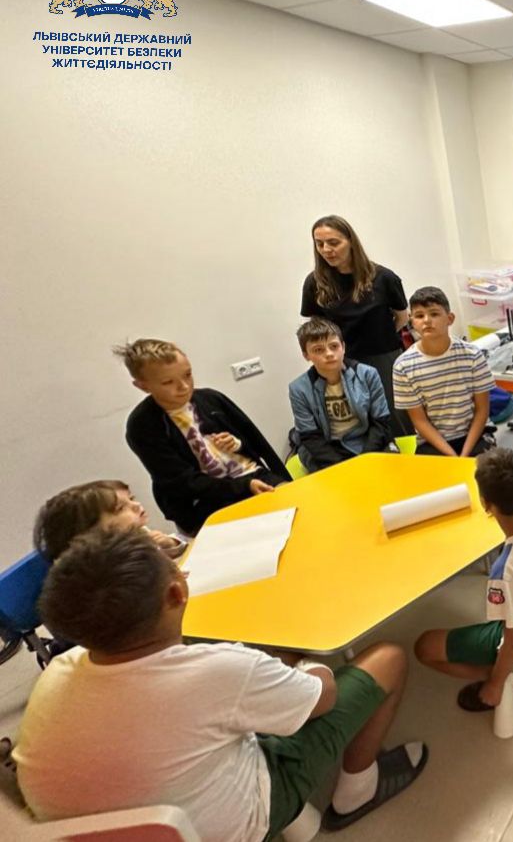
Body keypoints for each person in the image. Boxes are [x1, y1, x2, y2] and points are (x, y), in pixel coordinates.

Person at [14, 528, 426, 839]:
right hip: (239, 822)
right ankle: (357, 790)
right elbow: (324, 697)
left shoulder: (58, 672)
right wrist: (308, 665)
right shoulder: (218, 670)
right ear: (176, 592)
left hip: (109, 830)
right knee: (387, 658)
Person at [414, 449, 513, 711]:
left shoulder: (508, 569)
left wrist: (495, 684)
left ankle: (494, 676)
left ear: (485, 504)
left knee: (424, 646)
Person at [117, 339, 289, 536]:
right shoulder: (142, 425)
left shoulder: (211, 399)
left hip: (252, 475)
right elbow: (181, 481)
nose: (184, 386)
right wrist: (243, 487)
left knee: (298, 506)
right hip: (203, 501)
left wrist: (237, 444)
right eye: (168, 382)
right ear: (142, 386)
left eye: (188, 375)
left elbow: (256, 441)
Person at [301, 215, 411, 437]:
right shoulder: (314, 283)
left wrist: (380, 336)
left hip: (383, 357)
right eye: (319, 244)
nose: (326, 250)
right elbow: (316, 328)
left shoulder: (384, 277)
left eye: (333, 242)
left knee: (395, 419)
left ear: (350, 241)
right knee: (356, 422)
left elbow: (402, 317)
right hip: (341, 362)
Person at [393, 287, 495, 457]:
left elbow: (482, 410)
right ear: (412, 322)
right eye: (419, 316)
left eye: (434, 314)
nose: (427, 320)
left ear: (450, 318)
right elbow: (419, 421)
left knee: (488, 470)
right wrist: (452, 457)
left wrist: (464, 454)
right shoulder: (403, 366)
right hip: (432, 441)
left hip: (474, 435)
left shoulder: (472, 355)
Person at [288, 318, 392, 472]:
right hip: (329, 449)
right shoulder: (298, 389)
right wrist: (344, 467)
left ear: (343, 347)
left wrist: (365, 459)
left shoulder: (367, 374)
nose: (329, 354)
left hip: (367, 441)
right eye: (318, 350)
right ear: (306, 355)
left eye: (334, 346)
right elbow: (310, 436)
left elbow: (381, 422)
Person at [34, 479, 185, 561]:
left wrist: (171, 544)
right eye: (120, 508)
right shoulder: (105, 568)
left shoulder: (139, 534)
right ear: (90, 532)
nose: (136, 505)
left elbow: (177, 553)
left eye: (132, 498)